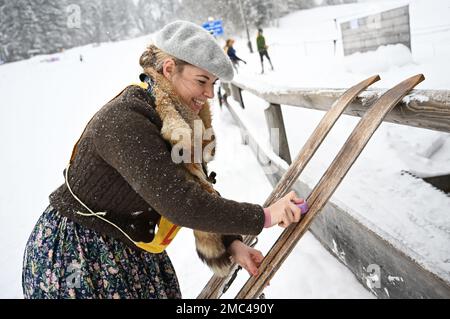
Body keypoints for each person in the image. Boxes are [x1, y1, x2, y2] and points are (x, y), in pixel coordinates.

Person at [22, 20, 306, 299]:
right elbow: (181, 203)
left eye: (213, 83)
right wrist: (265, 216)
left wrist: (231, 243)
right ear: (169, 69)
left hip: (131, 248)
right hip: (80, 254)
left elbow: (195, 189)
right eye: (201, 81)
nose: (209, 93)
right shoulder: (125, 121)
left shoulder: (179, 119)